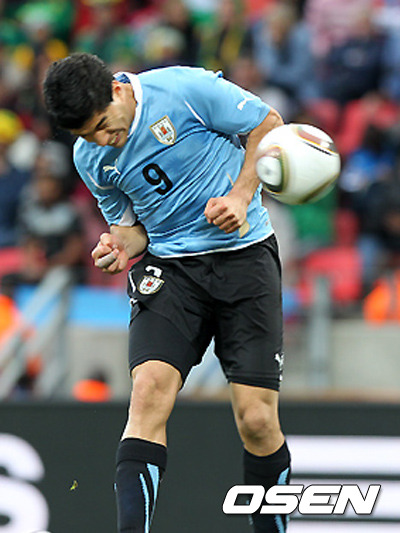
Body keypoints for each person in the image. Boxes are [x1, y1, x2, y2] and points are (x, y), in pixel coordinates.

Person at [43, 52, 291, 533]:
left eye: (103, 126)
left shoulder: (184, 90)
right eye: (87, 135)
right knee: (148, 392)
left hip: (245, 257)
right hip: (172, 270)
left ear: (117, 90)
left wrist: (241, 195)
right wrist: (119, 246)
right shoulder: (89, 157)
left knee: (257, 421)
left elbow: (269, 126)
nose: (102, 140)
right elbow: (132, 229)